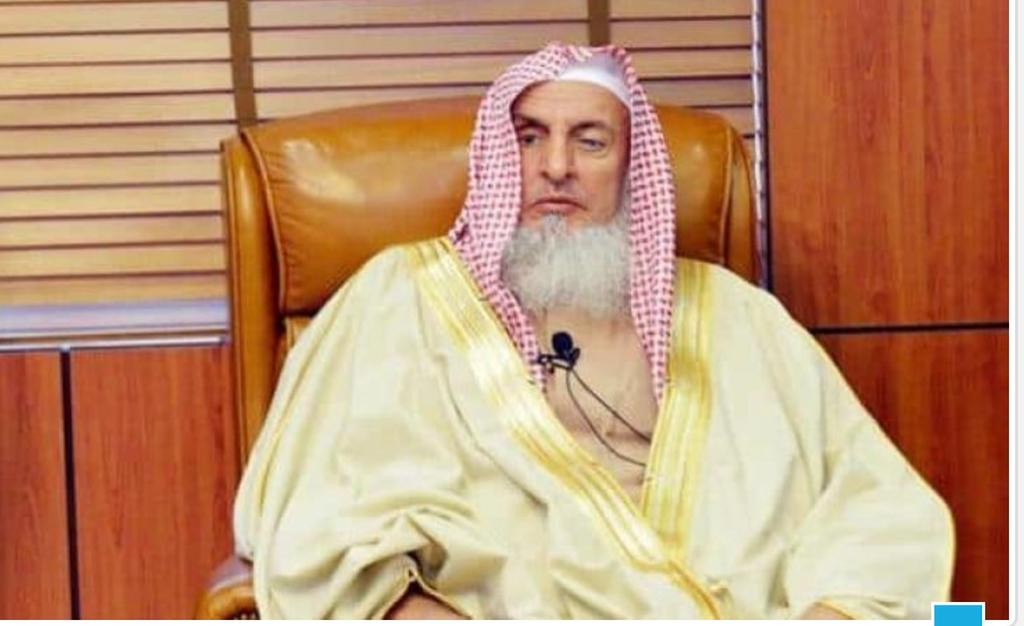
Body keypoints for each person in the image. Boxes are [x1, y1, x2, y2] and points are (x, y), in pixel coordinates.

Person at [231, 43, 954, 620]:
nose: (556, 167)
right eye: (530, 138)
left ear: (632, 170)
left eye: (590, 142)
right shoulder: (400, 297)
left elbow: (872, 495)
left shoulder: (735, 315)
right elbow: (323, 512)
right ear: (498, 158)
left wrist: (831, 614)